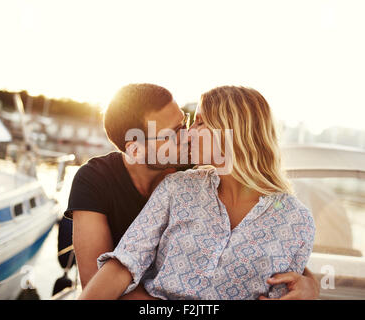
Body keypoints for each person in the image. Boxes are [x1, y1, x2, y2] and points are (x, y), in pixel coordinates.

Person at [77, 85, 316, 300]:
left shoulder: (297, 219)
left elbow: (286, 282)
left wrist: (312, 286)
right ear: (136, 149)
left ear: (232, 130)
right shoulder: (176, 186)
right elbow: (122, 264)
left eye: (194, 122)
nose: (187, 135)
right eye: (174, 132)